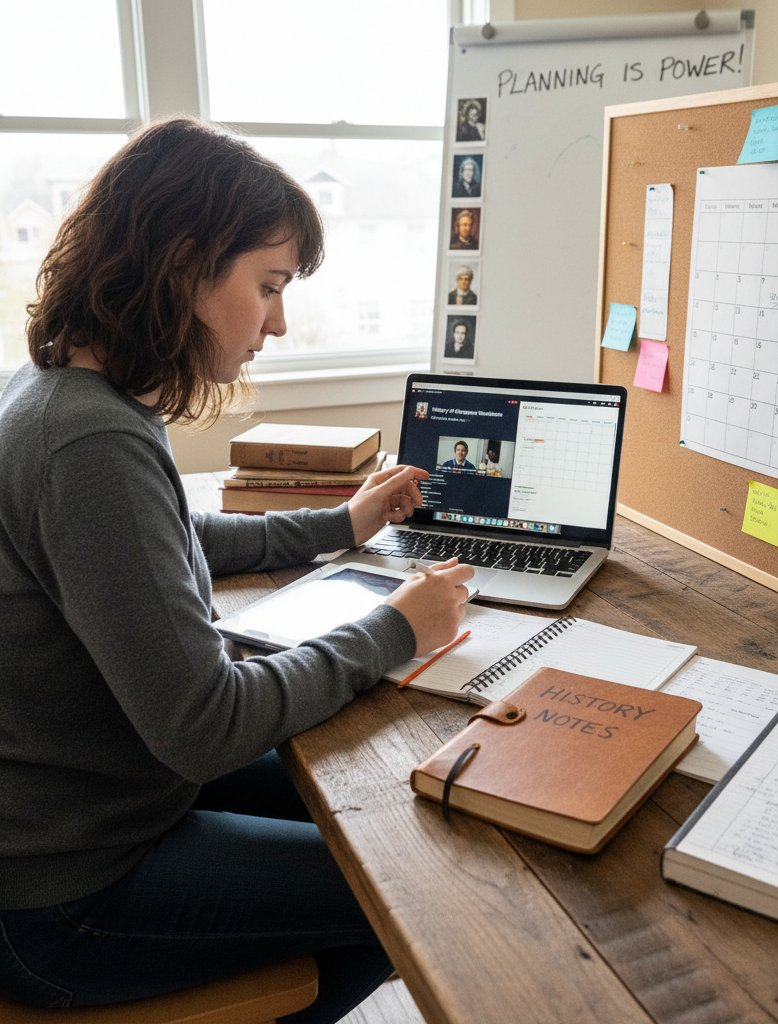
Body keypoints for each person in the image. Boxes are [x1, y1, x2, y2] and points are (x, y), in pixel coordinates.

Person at [0, 117, 474, 1022]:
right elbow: (205, 728)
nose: (280, 321)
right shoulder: (88, 439)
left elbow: (164, 540)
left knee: (365, 795)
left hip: (102, 801)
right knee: (413, 893)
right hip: (66, 897)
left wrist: (340, 521)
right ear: (184, 266)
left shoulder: (65, 391)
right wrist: (395, 629)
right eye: (268, 286)